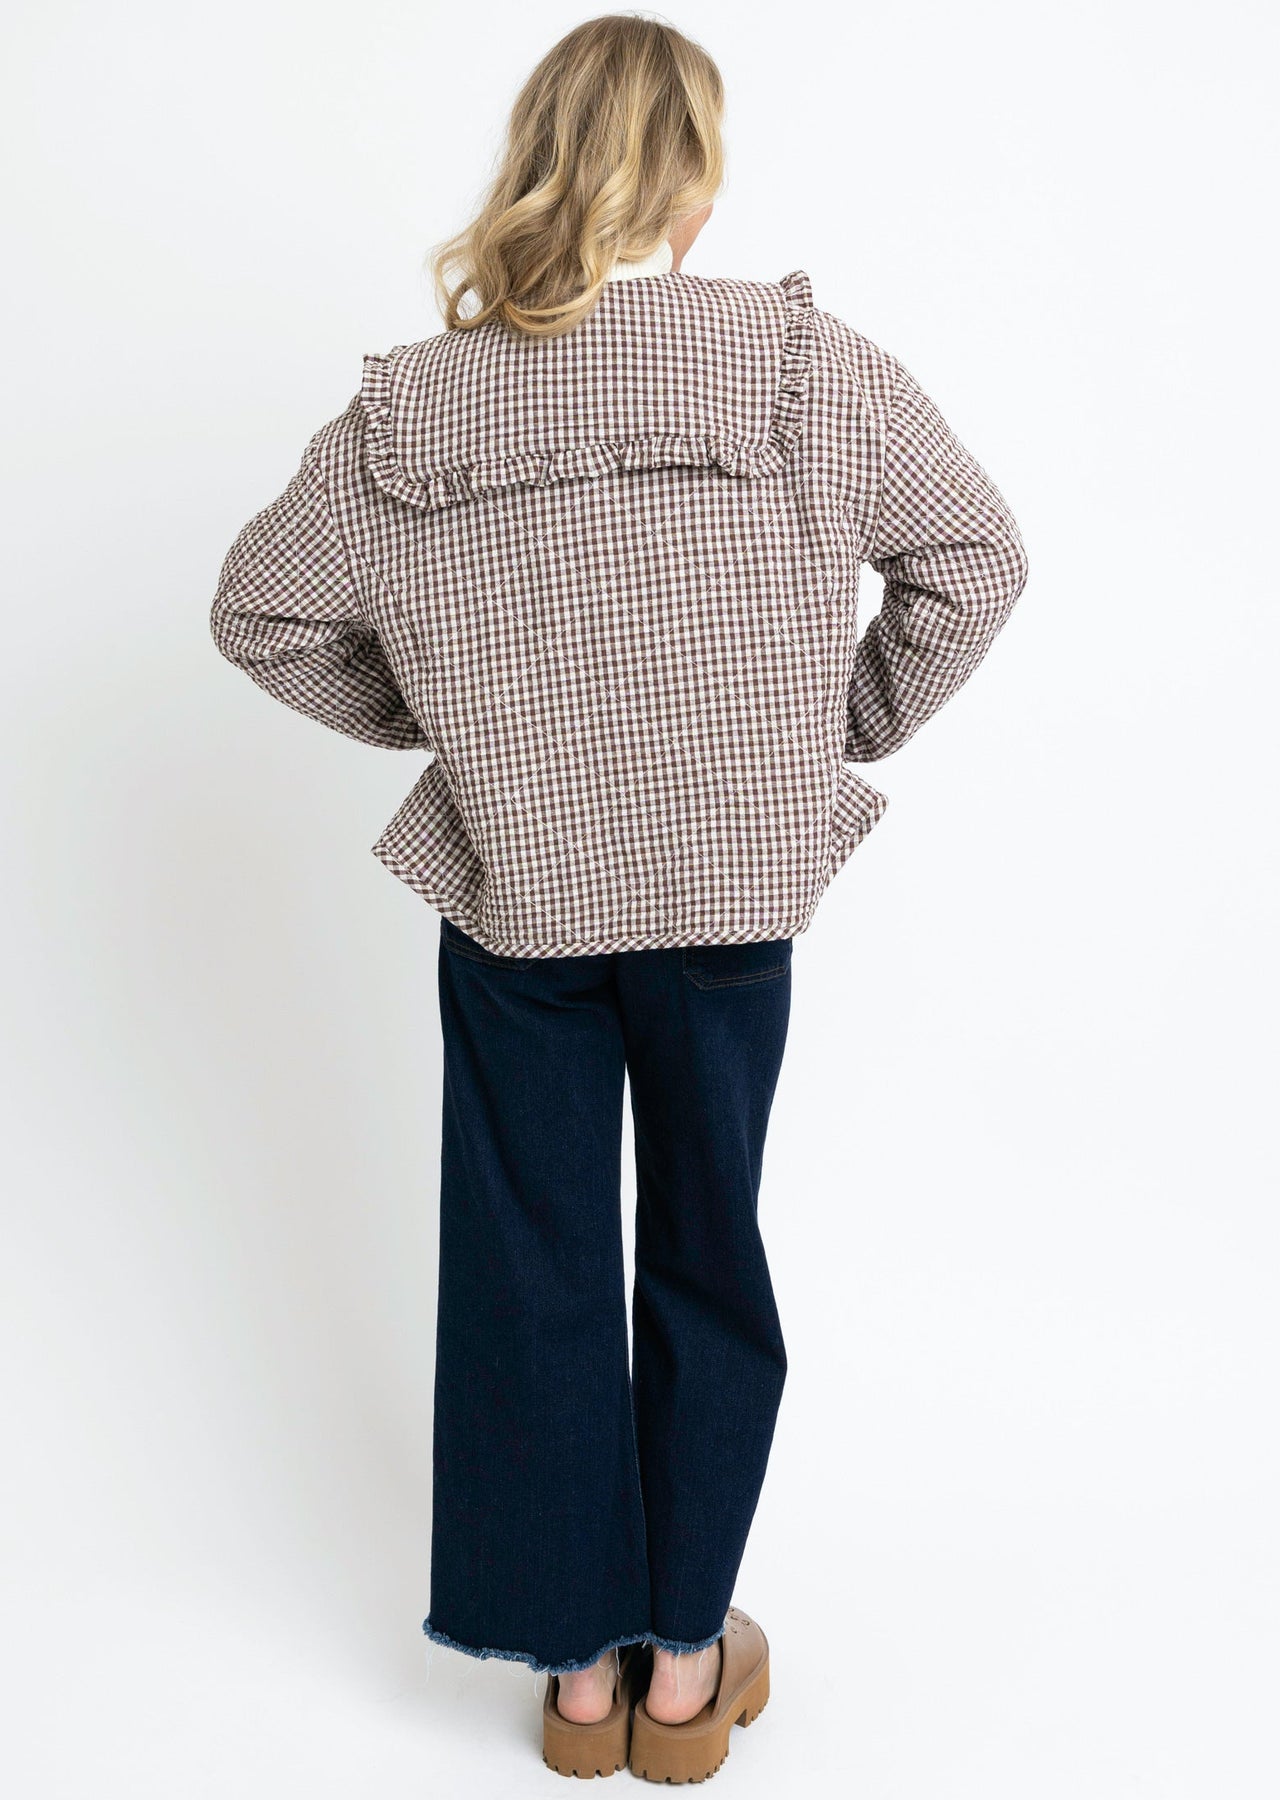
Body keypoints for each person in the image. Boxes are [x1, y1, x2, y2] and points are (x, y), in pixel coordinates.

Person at [209, 12, 1028, 1784]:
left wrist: (455, 730)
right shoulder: (799, 368)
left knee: (537, 1268)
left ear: (535, 159)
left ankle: (575, 1678)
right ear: (693, 184)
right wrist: (823, 734)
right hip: (731, 892)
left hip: (525, 898)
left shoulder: (414, 409)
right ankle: (683, 1672)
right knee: (707, 1256)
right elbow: (977, 558)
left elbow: (258, 612)